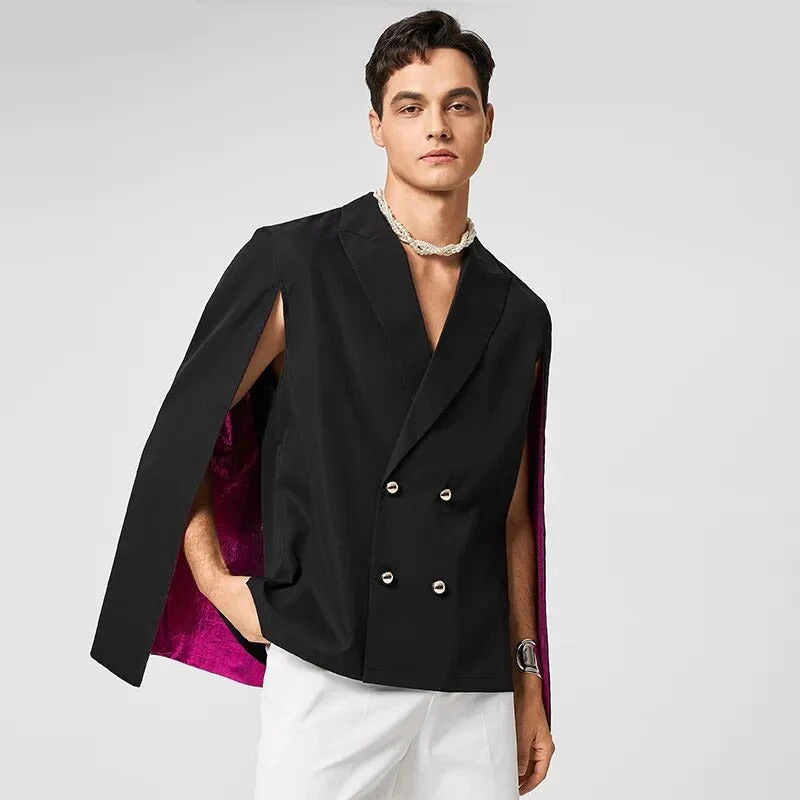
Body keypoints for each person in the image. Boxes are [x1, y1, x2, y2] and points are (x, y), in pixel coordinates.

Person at [90, 9, 556, 798]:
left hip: (470, 681)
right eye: (410, 106)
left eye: (459, 104)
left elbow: (511, 513)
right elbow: (184, 436)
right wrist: (217, 584)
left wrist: (528, 678)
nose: (436, 126)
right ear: (376, 125)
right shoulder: (298, 262)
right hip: (333, 667)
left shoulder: (519, 313)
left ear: (487, 122)